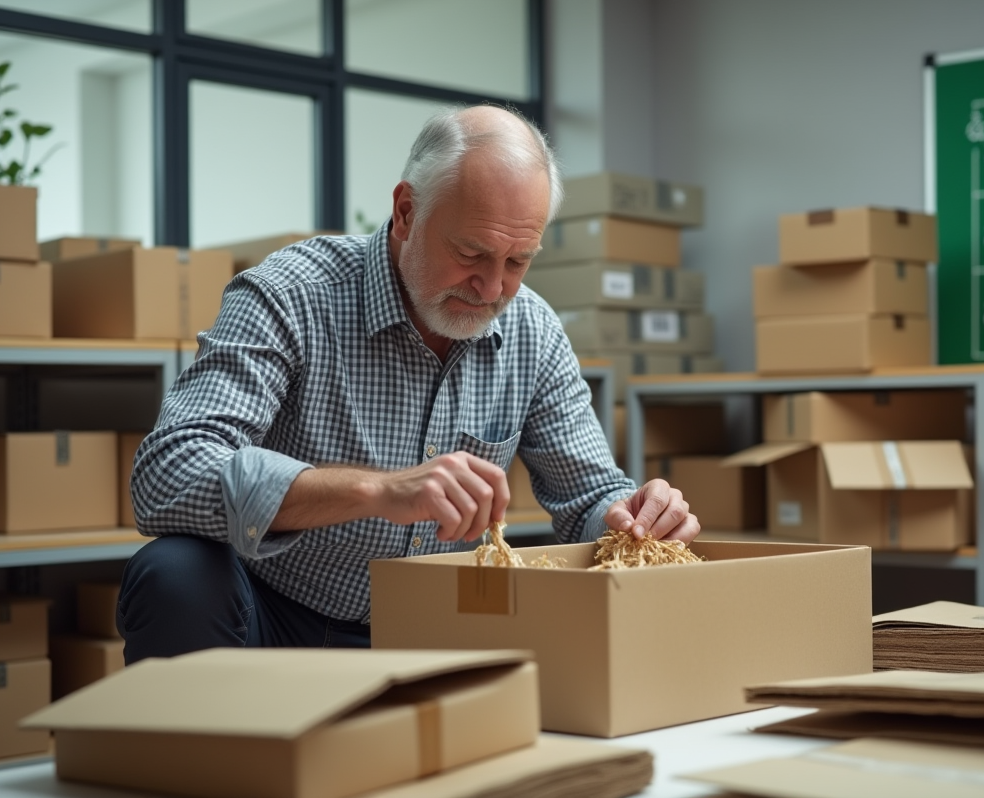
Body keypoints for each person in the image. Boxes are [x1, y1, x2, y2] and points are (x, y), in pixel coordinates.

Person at [119, 105, 699, 663]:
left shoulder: (534, 332)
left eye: (519, 261)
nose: (492, 288)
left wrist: (636, 516)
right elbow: (168, 473)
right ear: (404, 212)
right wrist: (376, 491)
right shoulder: (290, 293)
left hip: (444, 628)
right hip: (274, 617)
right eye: (471, 252)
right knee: (175, 574)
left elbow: (588, 496)